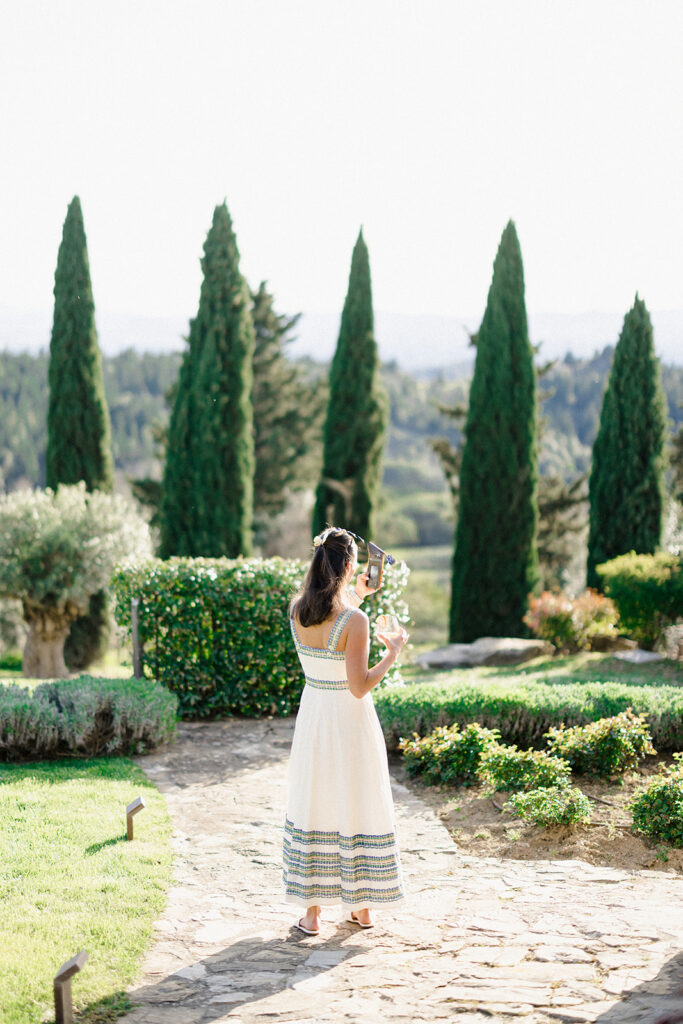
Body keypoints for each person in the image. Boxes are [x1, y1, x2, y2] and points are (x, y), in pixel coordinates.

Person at [283, 526, 408, 935]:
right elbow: (358, 686)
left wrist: (358, 594)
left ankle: (313, 914)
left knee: (315, 798)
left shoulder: (298, 609)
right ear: (352, 566)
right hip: (350, 720)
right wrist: (392, 655)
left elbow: (327, 620)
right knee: (358, 797)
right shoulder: (356, 621)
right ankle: (363, 907)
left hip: (315, 715)